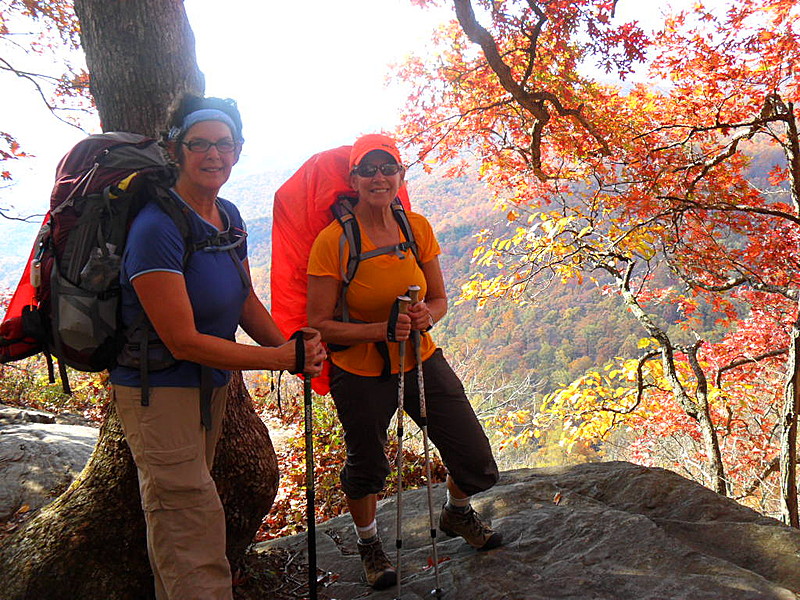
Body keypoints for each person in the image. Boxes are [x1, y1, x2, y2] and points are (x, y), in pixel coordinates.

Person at [109, 94, 326, 600]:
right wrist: (275, 360)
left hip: (207, 389)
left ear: (239, 149)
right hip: (156, 392)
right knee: (191, 518)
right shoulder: (156, 228)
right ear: (175, 150)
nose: (213, 156)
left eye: (223, 145)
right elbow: (182, 340)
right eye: (199, 145)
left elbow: (244, 296)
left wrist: (290, 348)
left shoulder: (226, 215)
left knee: (181, 516)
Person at [306, 133, 501, 590]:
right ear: (353, 179)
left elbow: (439, 299)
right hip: (359, 371)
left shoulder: (416, 227)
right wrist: (380, 330)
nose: (378, 177)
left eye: (387, 168)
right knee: (367, 468)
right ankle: (369, 543)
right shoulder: (332, 241)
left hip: (419, 358)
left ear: (400, 175)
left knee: (475, 460)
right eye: (368, 170)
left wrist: (423, 316)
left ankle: (456, 513)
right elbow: (318, 324)